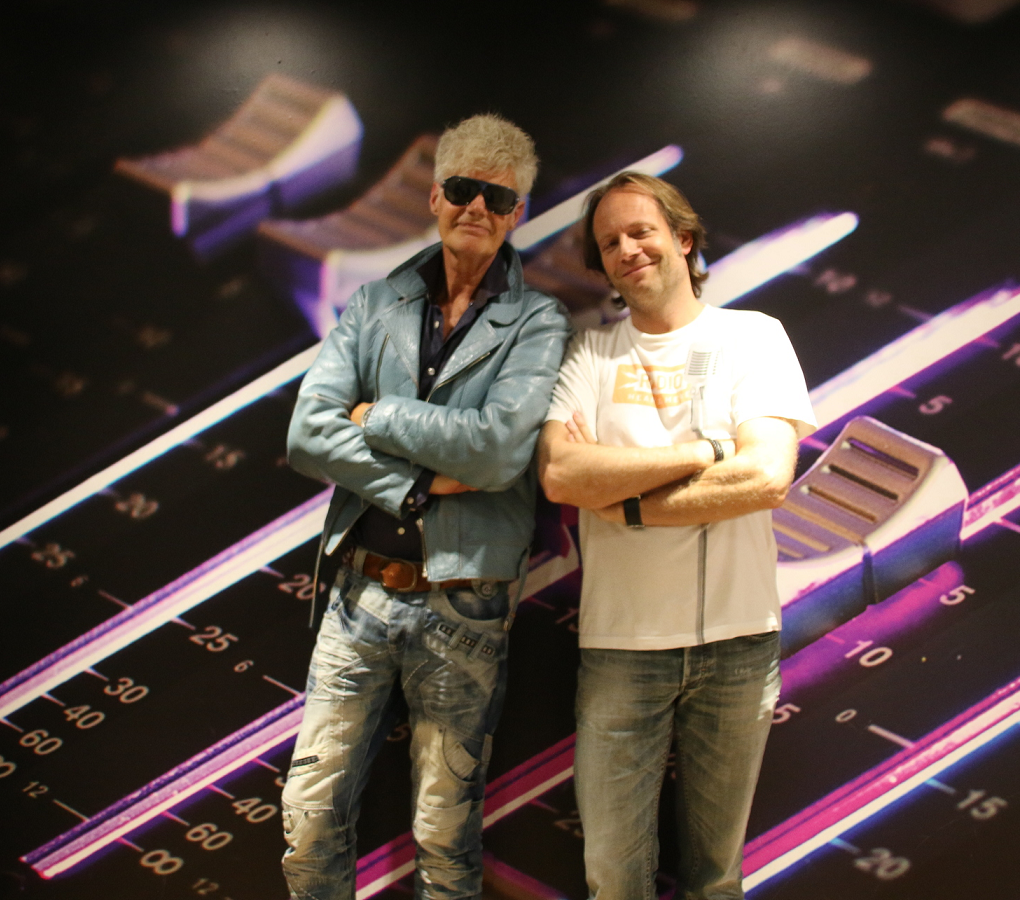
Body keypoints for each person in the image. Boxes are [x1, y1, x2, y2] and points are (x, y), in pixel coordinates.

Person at [281, 113, 570, 900]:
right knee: (307, 818)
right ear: (435, 197)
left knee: (444, 837)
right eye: (462, 189)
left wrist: (376, 416)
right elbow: (307, 433)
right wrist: (415, 484)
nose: (477, 207)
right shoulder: (375, 302)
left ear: (516, 214)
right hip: (357, 592)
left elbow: (496, 451)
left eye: (496, 197)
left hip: (463, 602)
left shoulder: (538, 321)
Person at [538, 172, 816, 900]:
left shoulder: (754, 337)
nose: (627, 250)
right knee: (613, 879)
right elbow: (563, 474)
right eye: (610, 243)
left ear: (683, 239)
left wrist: (626, 504)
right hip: (621, 646)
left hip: (738, 640)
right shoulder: (588, 353)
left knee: (714, 879)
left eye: (641, 232)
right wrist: (704, 453)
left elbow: (766, 475)